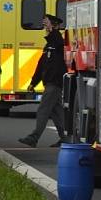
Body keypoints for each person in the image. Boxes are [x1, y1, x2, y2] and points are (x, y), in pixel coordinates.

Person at [18, 14, 67, 148]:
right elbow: (41, 66)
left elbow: (58, 41)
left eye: (47, 23)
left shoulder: (57, 42)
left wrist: (53, 30)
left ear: (55, 25)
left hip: (55, 82)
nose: (44, 26)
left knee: (43, 110)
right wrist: (33, 83)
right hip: (50, 83)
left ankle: (34, 138)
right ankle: (66, 138)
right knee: (56, 112)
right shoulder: (48, 45)